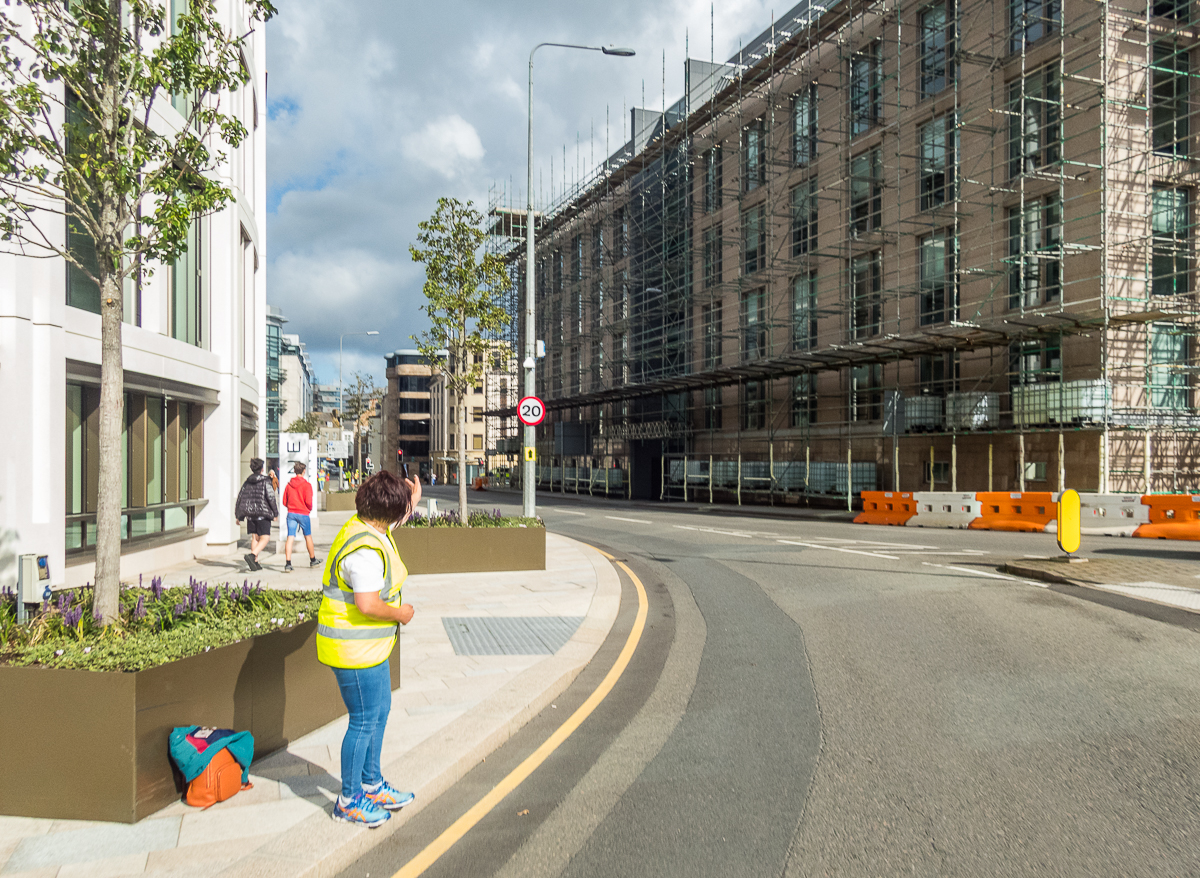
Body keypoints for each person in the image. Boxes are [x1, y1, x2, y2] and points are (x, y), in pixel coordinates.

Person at [317, 470, 421, 827]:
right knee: (363, 721)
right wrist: (401, 614)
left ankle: (372, 784)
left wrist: (413, 497)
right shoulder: (363, 551)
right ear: (388, 512)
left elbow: (395, 521)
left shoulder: (369, 526)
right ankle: (348, 800)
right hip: (353, 652)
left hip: (371, 649)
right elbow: (367, 604)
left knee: (380, 711)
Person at [235, 458, 277, 571]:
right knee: (265, 538)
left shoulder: (247, 482)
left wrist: (238, 515)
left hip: (250, 515)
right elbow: (271, 498)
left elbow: (240, 497)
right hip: (262, 513)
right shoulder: (265, 481)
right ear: (262, 469)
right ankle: (252, 555)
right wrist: (275, 513)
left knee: (255, 537)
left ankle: (255, 563)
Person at [282, 462, 321, 572]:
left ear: (294, 471)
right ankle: (313, 560)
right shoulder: (307, 485)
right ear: (304, 471)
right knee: (308, 536)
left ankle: (288, 563)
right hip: (303, 513)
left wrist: (291, 507)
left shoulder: (288, 485)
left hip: (291, 513)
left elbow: (284, 501)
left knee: (290, 537)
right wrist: (308, 509)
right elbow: (309, 501)